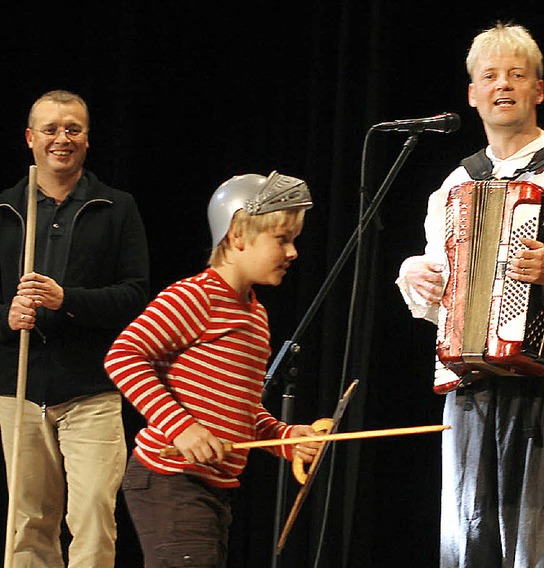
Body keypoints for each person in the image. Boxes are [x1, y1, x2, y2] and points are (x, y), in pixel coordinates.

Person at [396, 23, 544, 568]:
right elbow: (444, 283)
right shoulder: (456, 184)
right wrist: (422, 281)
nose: (502, 85)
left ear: (539, 90)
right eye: (490, 76)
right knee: (470, 536)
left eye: (516, 74)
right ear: (472, 94)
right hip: (475, 384)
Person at [104, 171, 319, 567]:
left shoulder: (256, 316)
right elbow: (123, 356)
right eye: (282, 239)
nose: (293, 253)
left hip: (212, 488)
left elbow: (240, 408)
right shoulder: (194, 296)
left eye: (293, 241)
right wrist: (181, 426)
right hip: (170, 478)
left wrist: (286, 439)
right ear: (237, 235)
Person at [0, 90, 150, 567]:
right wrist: (5, 315)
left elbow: (135, 296)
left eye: (73, 129)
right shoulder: (5, 210)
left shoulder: (117, 206)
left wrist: (68, 301)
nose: (61, 138)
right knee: (28, 523)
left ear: (87, 139)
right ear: (30, 138)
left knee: (91, 518)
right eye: (50, 129)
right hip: (19, 390)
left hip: (92, 390)